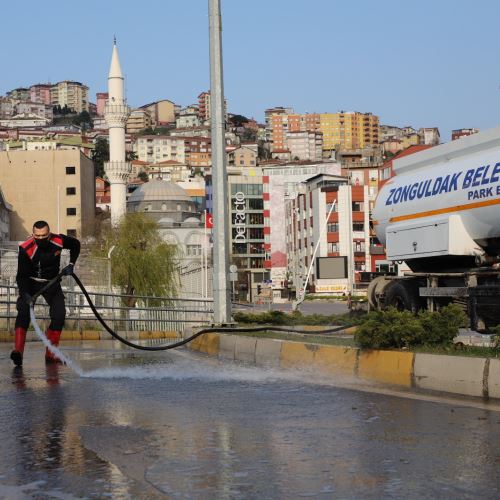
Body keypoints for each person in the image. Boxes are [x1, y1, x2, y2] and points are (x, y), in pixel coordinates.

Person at [10, 221, 80, 366]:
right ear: (33, 234)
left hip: (52, 282)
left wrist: (71, 264)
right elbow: (21, 276)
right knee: (23, 310)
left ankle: (51, 354)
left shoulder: (59, 240)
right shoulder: (25, 248)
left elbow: (76, 245)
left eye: (44, 236)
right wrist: (25, 293)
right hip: (30, 282)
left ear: (49, 234)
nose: (41, 239)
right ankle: (18, 351)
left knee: (59, 314)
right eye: (37, 236)